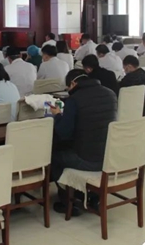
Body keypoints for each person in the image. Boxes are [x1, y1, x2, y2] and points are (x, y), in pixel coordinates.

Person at [49, 69, 117, 213]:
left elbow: (64, 133)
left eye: (68, 87)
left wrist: (58, 115)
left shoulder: (74, 100)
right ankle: (91, 195)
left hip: (87, 159)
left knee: (54, 156)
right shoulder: (110, 94)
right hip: (109, 157)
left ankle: (68, 201)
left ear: (73, 83)